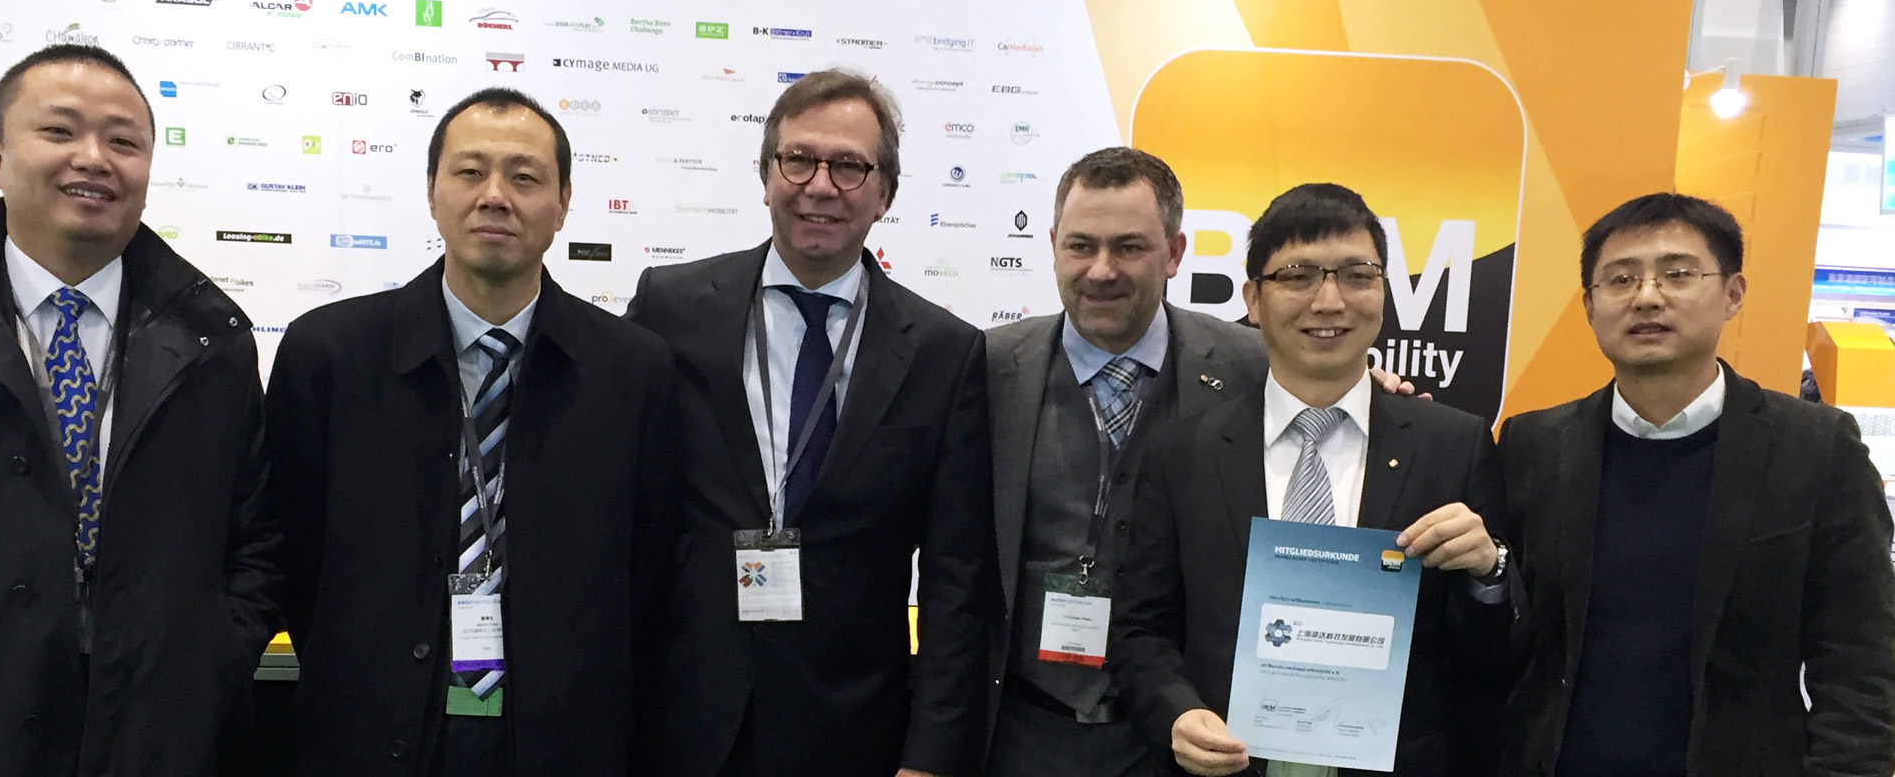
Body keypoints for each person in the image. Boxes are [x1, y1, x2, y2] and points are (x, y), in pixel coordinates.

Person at [266, 88, 681, 776]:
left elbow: (650, 573)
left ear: (563, 203)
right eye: (469, 172)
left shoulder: (634, 372)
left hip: (563, 741)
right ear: (432, 191)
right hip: (371, 734)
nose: (495, 196)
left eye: (524, 177)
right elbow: (295, 558)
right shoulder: (330, 355)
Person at [626, 69, 994, 777]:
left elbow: (957, 581)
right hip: (683, 714)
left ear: (885, 193)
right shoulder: (671, 307)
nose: (820, 186)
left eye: (849, 166)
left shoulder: (942, 353)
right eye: (798, 159)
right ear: (766, 175)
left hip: (853, 726)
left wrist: (932, 756)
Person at [0, 44, 279, 775]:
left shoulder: (211, 339)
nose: (94, 158)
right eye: (59, 131)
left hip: (158, 729)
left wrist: (212, 659)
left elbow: (257, 535)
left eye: (123, 142)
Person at [1108, 183, 1515, 777]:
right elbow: (1141, 631)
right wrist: (1176, 713)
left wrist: (1489, 572)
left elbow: (1493, 657)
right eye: (1298, 276)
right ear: (1253, 299)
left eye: (1356, 275)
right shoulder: (1183, 453)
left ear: (1383, 292)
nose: (1329, 301)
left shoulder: (1453, 445)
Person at [1499, 193, 1895, 777]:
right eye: (1621, 279)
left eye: (1677, 274)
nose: (1647, 296)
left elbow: (1860, 658)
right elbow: (1505, 630)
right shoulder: (1533, 444)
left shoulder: (1816, 448)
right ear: (1589, 305)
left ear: (1733, 294)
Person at [983, 148, 1268, 777]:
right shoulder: (986, 367)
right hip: (1024, 732)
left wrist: (1373, 392)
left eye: (1129, 247)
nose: (1101, 270)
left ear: (1174, 253)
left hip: (1189, 739)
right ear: (1053, 245)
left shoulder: (1255, 369)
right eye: (1081, 246)